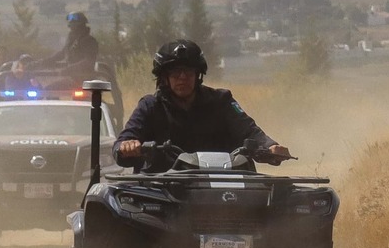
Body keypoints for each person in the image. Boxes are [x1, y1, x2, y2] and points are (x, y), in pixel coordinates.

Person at [115, 39, 292, 171]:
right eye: (176, 72)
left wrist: (270, 146)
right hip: (164, 193)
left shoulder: (222, 101)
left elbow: (249, 131)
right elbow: (123, 142)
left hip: (223, 189)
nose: (183, 77)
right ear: (164, 78)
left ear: (198, 75)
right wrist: (127, 147)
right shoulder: (150, 106)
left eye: (189, 71)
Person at [44, 11, 101, 76]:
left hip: (84, 78)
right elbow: (62, 54)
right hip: (72, 77)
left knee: (52, 83)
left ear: (80, 25)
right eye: (70, 24)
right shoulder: (72, 41)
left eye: (73, 24)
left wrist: (69, 69)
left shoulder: (89, 41)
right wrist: (43, 62)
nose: (70, 27)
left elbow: (89, 61)